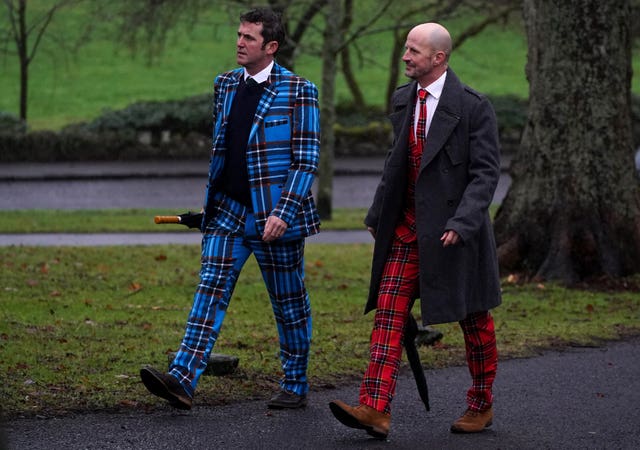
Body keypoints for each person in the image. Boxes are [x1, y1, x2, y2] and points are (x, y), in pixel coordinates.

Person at [140, 7, 320, 410]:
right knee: (209, 291)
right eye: (239, 35)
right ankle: (182, 379)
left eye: (249, 38)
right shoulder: (224, 85)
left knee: (289, 303)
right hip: (227, 214)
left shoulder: (299, 91)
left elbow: (306, 159)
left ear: (271, 46)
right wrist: (210, 206)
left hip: (275, 217)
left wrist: (283, 213)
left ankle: (295, 382)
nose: (240, 42)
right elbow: (224, 151)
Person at [329, 22, 501, 439]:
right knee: (388, 313)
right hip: (407, 231)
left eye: (413, 51)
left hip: (455, 235)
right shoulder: (405, 98)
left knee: (474, 322)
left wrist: (462, 223)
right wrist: (376, 215)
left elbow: (485, 175)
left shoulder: (474, 107)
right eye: (406, 48)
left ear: (438, 58)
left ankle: (481, 404)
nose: (405, 56)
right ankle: (374, 407)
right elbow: (396, 163)